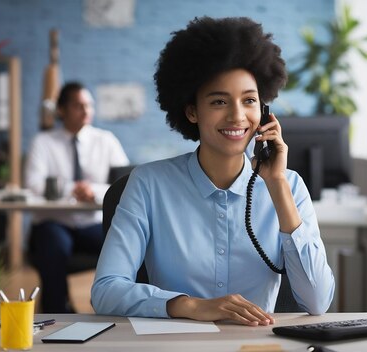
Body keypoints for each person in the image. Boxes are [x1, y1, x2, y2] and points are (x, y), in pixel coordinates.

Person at [91, 17, 334, 325]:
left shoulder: (290, 186)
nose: (237, 116)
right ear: (192, 111)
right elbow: (106, 291)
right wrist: (191, 306)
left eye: (249, 101)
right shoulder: (148, 184)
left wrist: (276, 184)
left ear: (264, 112)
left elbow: (317, 302)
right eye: (219, 101)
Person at [25, 82, 129, 313]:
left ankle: (119, 308)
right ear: (61, 110)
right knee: (53, 246)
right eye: (78, 106)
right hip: (54, 223)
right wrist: (72, 188)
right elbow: (33, 185)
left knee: (128, 244)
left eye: (89, 105)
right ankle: (57, 312)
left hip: (93, 223)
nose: (86, 111)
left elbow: (124, 185)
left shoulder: (106, 140)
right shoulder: (43, 142)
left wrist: (94, 191)